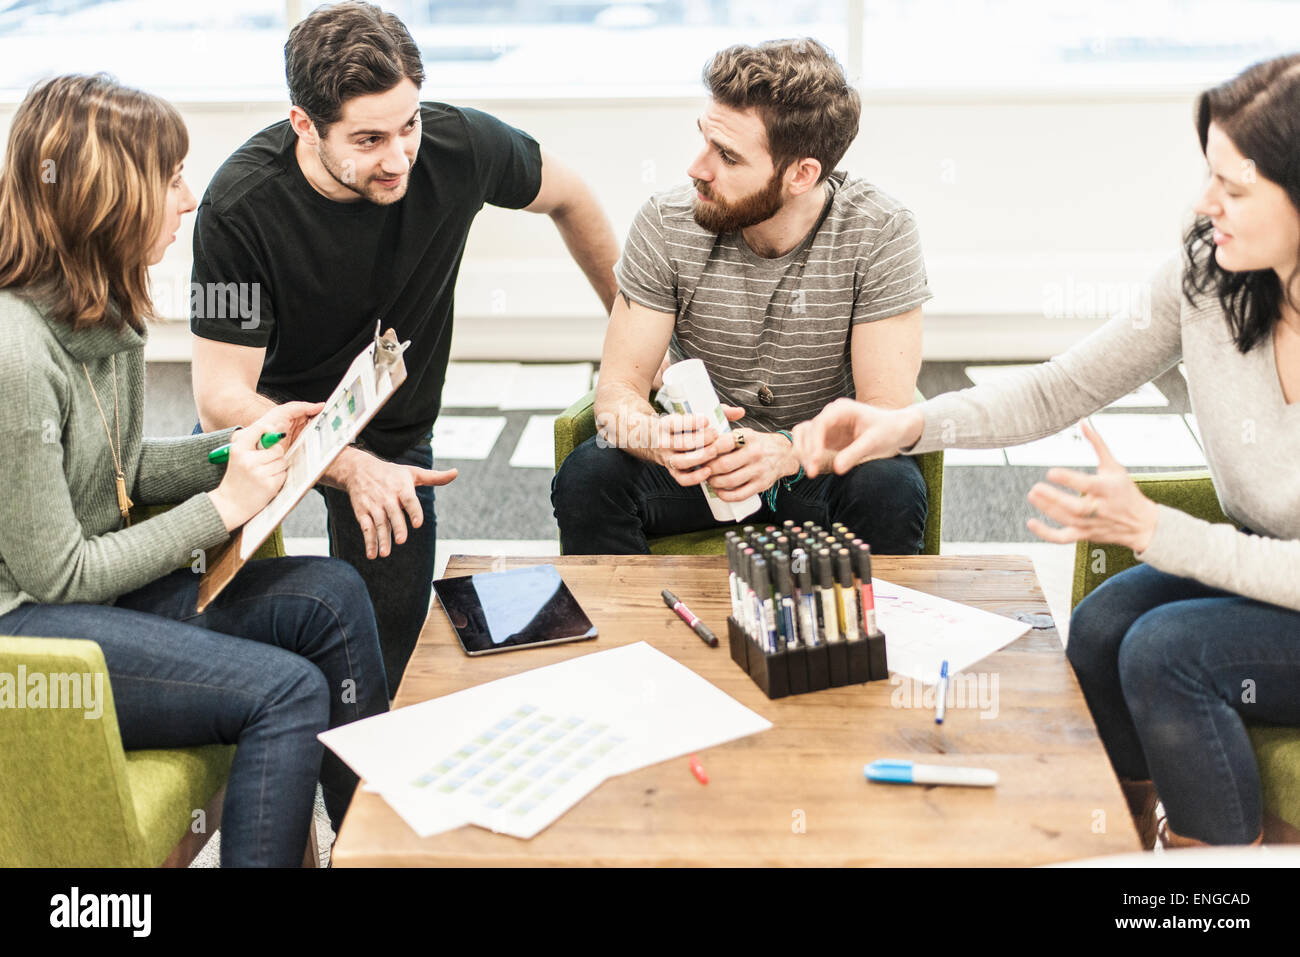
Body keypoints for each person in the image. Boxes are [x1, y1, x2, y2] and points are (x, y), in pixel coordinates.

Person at [792, 53, 1300, 848]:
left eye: (1234, 187)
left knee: (1166, 654)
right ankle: (1132, 840)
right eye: (1208, 176)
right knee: (1100, 630)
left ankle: (1219, 884)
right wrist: (908, 425)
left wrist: (1158, 531)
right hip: (1263, 560)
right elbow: (1058, 389)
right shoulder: (1210, 279)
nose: (1207, 204)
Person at [0, 74, 389, 867]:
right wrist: (223, 504)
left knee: (333, 595)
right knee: (286, 692)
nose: (189, 199)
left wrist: (245, 444)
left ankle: (374, 848)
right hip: (26, 637)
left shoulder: (100, 312)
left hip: (89, 601)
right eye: (170, 176)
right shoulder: (14, 354)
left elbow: (124, 468)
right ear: (108, 195)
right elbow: (59, 573)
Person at [188, 2, 621, 697]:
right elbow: (220, 398)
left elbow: (571, 197)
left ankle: (354, 796)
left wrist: (631, 341)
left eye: (407, 125)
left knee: (379, 661)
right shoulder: (238, 208)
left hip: (390, 429)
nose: (398, 159)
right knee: (219, 635)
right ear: (305, 124)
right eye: (367, 140)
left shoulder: (459, 145)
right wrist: (341, 464)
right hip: (269, 422)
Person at [551, 38, 930, 555]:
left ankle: (861, 636)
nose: (697, 169)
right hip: (697, 467)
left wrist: (787, 451)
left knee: (890, 488)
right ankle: (626, 627)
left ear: (802, 174)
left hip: (813, 469)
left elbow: (884, 413)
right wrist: (654, 438)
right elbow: (618, 393)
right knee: (589, 474)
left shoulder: (880, 231)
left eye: (727, 156)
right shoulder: (666, 223)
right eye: (705, 140)